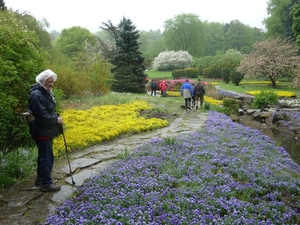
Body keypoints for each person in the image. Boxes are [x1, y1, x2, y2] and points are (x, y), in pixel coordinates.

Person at [28, 69, 63, 192]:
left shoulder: (45, 92)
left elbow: (47, 111)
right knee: (47, 156)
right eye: (49, 81)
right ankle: (46, 183)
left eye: (52, 82)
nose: (51, 84)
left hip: (44, 129)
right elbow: (43, 117)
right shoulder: (37, 95)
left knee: (44, 154)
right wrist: (57, 119)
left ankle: (41, 178)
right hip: (41, 129)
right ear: (43, 81)